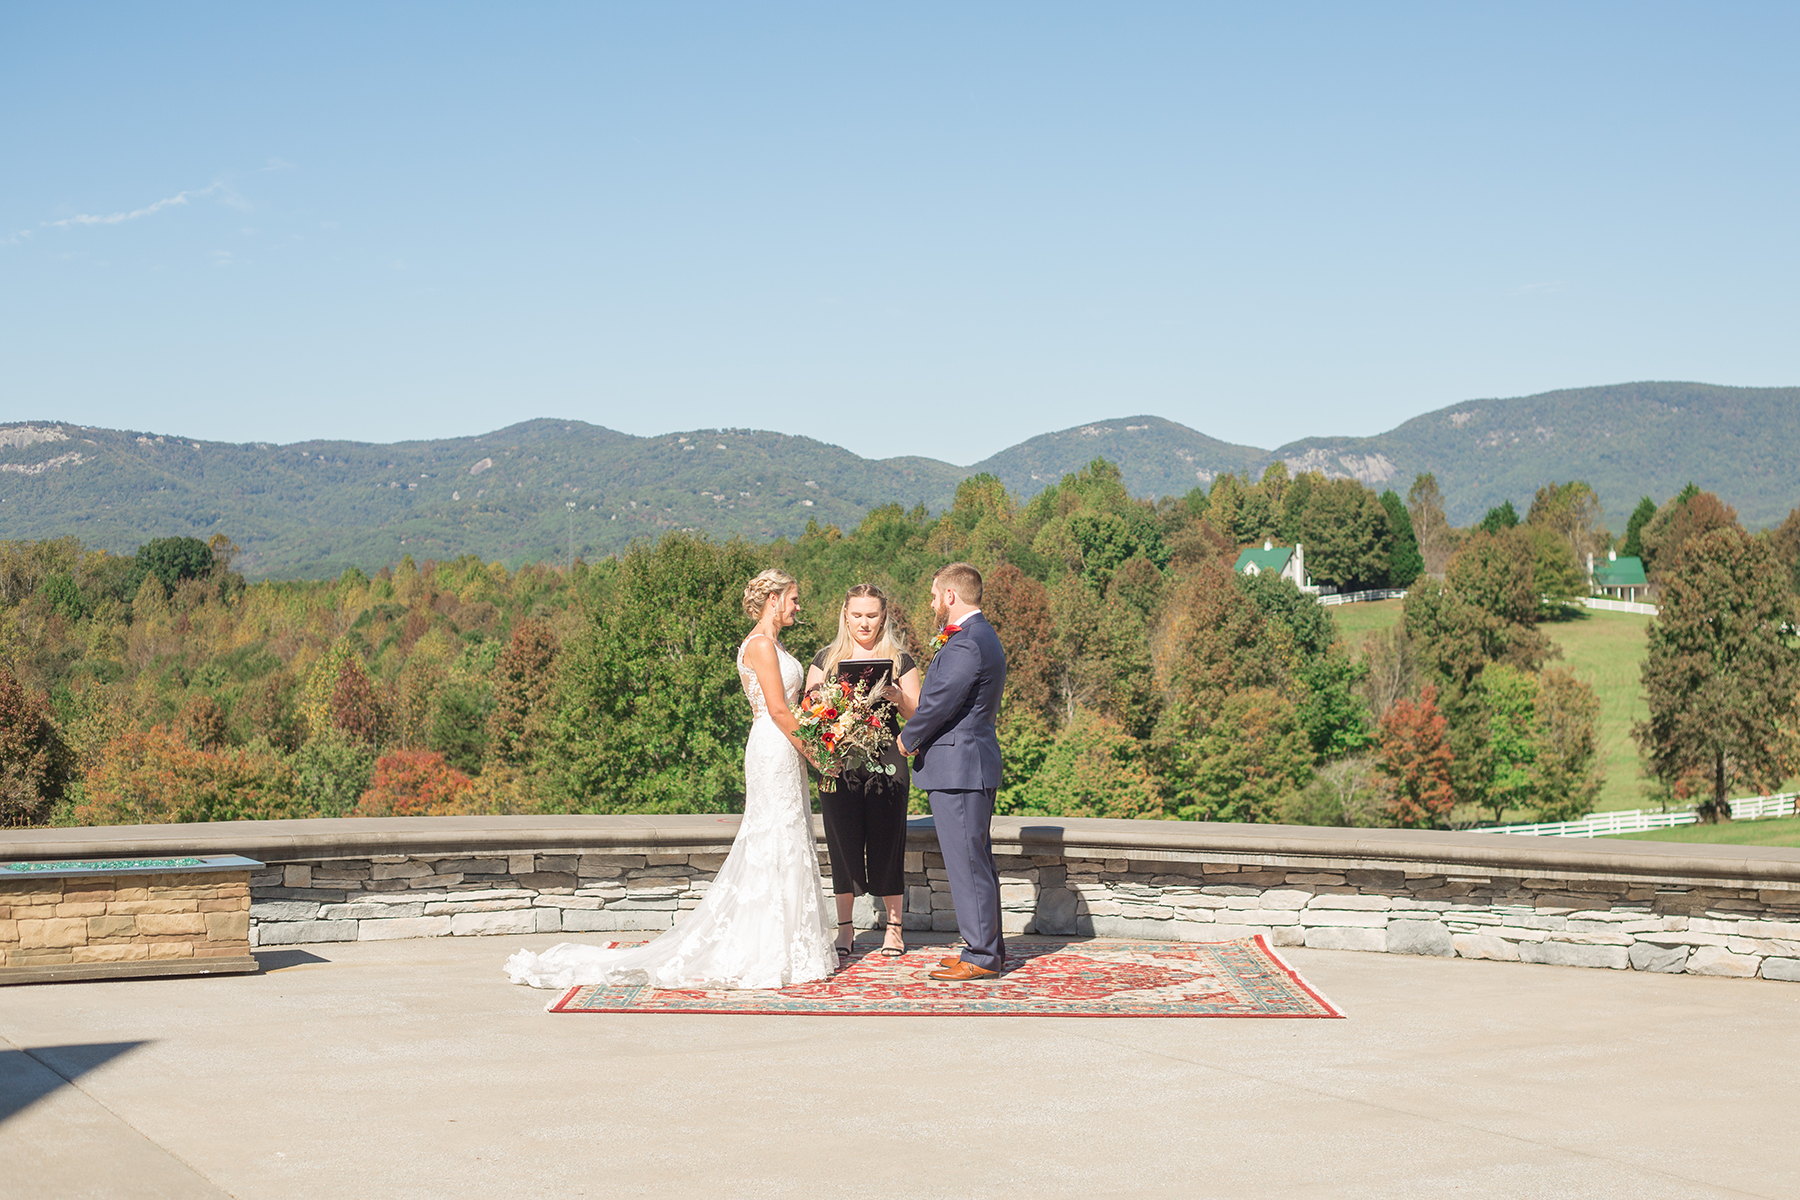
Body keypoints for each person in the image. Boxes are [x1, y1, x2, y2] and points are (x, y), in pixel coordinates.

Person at [503, 569, 836, 992]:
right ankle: (767, 949)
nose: (797, 606)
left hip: (782, 749)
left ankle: (790, 946)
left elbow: (793, 705)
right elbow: (778, 710)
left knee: (788, 839)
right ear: (773, 599)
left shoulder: (775, 644)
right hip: (774, 746)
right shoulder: (761, 645)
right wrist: (818, 755)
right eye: (793, 598)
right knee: (773, 840)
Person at [896, 562, 1008, 982]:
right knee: (975, 859)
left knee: (966, 861)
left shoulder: (967, 644)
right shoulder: (982, 635)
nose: (930, 602)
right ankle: (985, 948)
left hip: (960, 768)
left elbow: (939, 701)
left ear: (950, 596)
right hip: (967, 764)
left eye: (933, 594)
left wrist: (906, 740)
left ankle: (981, 955)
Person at [804, 584, 922, 961]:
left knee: (889, 842)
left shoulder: (900, 659)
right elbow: (806, 713)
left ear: (883, 616)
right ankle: (845, 929)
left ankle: (894, 928)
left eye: (872, 615)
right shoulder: (826, 658)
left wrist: (898, 697)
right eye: (857, 615)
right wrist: (824, 701)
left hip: (887, 761)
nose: (864, 623)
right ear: (845, 614)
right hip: (839, 762)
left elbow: (918, 716)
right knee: (842, 844)